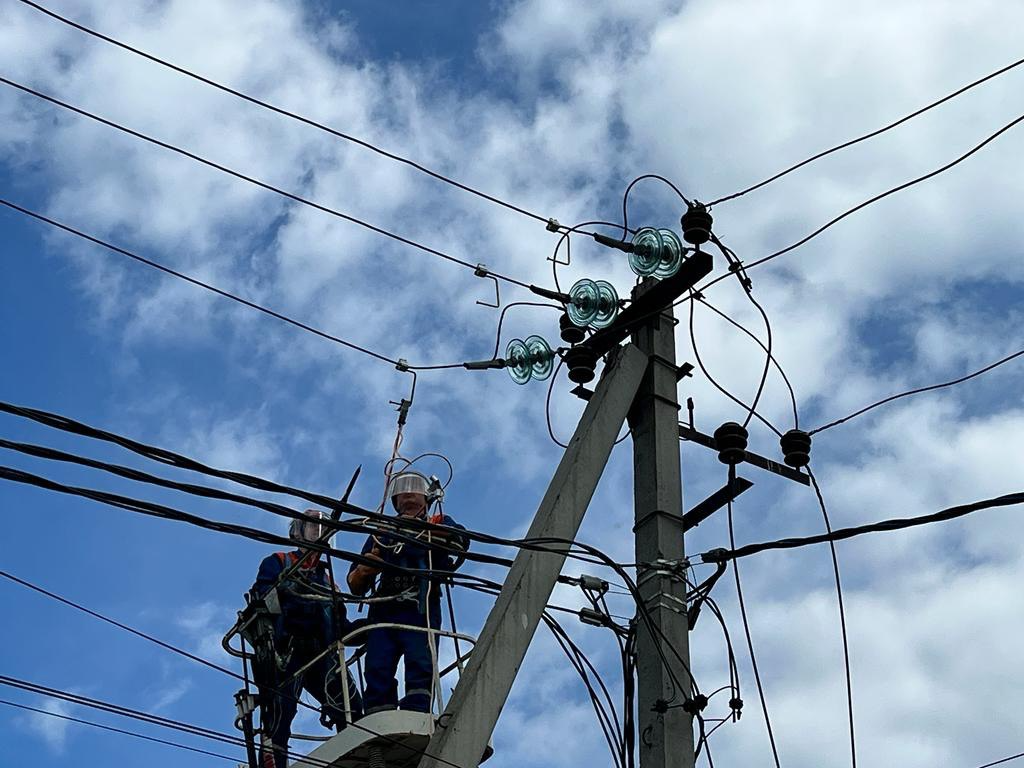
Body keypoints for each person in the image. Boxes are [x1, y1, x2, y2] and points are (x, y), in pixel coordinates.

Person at [347, 471, 468, 715]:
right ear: (395, 500)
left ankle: (417, 712)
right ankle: (378, 715)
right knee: (377, 664)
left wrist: (423, 532)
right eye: (403, 489)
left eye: (415, 488)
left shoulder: (438, 522)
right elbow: (354, 584)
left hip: (420, 604)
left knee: (420, 660)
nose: (409, 492)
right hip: (384, 608)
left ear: (426, 497)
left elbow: (461, 540)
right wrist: (365, 569)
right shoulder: (381, 532)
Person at [250, 508, 363, 768]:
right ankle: (274, 762)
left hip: (321, 654)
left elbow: (340, 627)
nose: (319, 530)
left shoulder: (328, 581)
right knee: (280, 714)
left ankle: (359, 759)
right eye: (312, 525)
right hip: (286, 651)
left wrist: (368, 628)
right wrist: (287, 587)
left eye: (323, 527)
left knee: (351, 707)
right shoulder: (279, 562)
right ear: (297, 532)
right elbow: (264, 599)